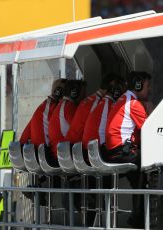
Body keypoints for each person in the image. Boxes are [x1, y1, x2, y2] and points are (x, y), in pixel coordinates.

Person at [104, 71, 151, 228]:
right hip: (120, 152)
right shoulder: (134, 104)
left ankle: (138, 218)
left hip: (113, 151)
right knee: (146, 168)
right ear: (138, 85)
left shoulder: (125, 98)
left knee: (140, 171)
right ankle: (139, 220)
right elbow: (149, 130)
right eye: (147, 85)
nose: (149, 90)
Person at [65, 73, 117, 145]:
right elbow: (91, 126)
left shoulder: (90, 99)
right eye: (83, 93)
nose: (85, 95)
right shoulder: (97, 102)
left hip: (74, 142)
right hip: (78, 144)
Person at [20, 79, 67, 150]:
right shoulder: (54, 108)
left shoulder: (43, 108)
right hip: (48, 154)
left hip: (39, 155)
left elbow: (23, 139)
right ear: (59, 92)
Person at [82, 75, 126, 152]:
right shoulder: (106, 104)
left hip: (91, 148)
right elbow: (102, 131)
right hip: (95, 150)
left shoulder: (104, 102)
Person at [48, 79, 86, 165]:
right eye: (83, 94)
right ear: (74, 93)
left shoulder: (63, 104)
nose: (84, 97)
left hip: (59, 152)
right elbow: (80, 130)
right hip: (64, 154)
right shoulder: (69, 107)